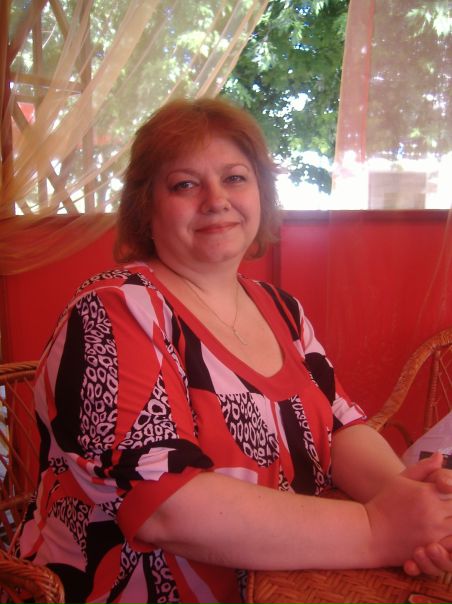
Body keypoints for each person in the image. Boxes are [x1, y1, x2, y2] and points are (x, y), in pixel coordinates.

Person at [17, 97, 452, 604]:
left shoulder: (282, 309)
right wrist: (378, 529)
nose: (216, 199)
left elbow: (339, 430)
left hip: (289, 582)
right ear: (146, 209)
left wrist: (415, 506)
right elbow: (164, 506)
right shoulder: (114, 312)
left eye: (235, 178)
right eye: (184, 184)